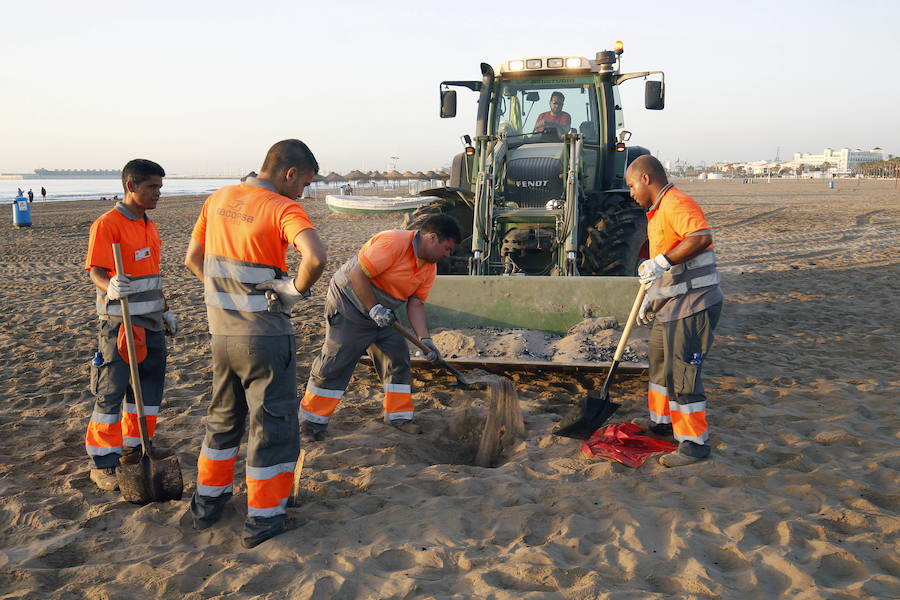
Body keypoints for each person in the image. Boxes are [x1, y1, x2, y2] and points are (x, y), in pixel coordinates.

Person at [184, 139, 327, 549]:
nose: (304, 192)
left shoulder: (218, 199)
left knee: (223, 421)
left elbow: (194, 258)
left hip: (221, 335)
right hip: (264, 337)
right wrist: (293, 291)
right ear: (289, 173)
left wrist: (227, 298)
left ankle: (206, 506)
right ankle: (263, 520)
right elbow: (315, 257)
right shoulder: (283, 207)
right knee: (273, 425)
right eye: (305, 183)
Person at [300, 214, 461, 441]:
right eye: (447, 248)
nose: (447, 255)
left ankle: (398, 417)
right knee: (337, 360)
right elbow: (358, 274)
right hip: (350, 303)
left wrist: (425, 340)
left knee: (397, 357)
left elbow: (416, 304)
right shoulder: (393, 242)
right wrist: (373, 308)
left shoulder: (429, 269)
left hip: (384, 312)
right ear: (432, 238)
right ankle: (311, 422)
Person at [83, 159, 177, 492]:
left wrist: (164, 310)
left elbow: (152, 274)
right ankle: (103, 462)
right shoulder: (108, 223)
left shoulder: (150, 226)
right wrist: (107, 285)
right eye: (152, 187)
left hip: (151, 323)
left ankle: (136, 447)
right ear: (130, 186)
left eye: (160, 187)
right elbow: (95, 269)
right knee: (111, 391)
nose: (158, 193)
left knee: (148, 393)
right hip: (118, 323)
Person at [624, 155, 723, 468]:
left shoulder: (677, 203)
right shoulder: (656, 213)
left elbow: (701, 237)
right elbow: (665, 272)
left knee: (683, 375)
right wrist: (650, 299)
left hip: (693, 306)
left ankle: (694, 444)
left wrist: (661, 261)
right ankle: (662, 424)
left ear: (647, 179)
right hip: (670, 306)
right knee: (659, 365)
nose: (630, 193)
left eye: (631, 185)